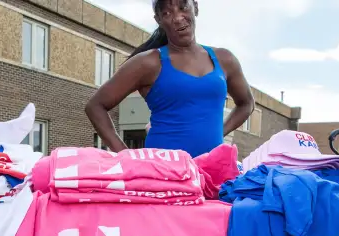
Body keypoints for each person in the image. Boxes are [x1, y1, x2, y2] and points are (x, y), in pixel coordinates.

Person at [85, 0, 255, 158]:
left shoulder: (224, 59)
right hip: (164, 174)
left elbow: (247, 103)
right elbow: (95, 106)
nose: (178, 18)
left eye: (183, 7)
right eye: (167, 13)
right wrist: (126, 157)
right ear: (158, 19)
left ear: (195, 7)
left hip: (212, 170)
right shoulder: (148, 62)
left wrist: (219, 132)